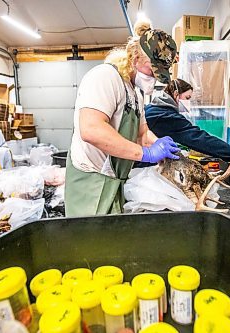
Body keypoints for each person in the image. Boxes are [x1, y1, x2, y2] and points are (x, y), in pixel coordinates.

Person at [65, 19, 180, 217]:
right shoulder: (106, 77)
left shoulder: (135, 93)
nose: (154, 78)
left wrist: (159, 145)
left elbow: (142, 133)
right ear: (135, 58)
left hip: (115, 181)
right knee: (88, 245)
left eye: (158, 73)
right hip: (91, 184)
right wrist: (146, 154)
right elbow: (91, 130)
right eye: (151, 70)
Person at [145, 79, 230, 161]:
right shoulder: (166, 116)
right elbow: (197, 137)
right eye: (187, 98)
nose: (188, 103)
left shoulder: (154, 108)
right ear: (176, 94)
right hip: (142, 162)